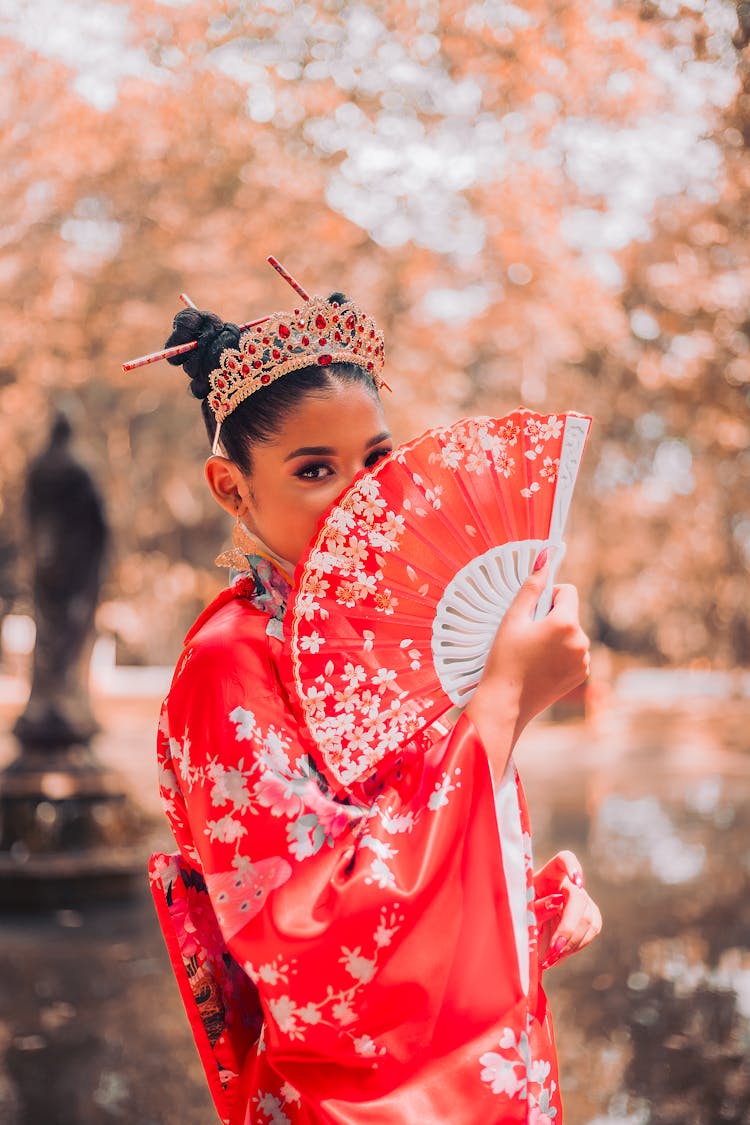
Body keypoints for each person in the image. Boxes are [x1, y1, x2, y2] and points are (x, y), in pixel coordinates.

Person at [140, 276, 601, 1125]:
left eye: (378, 459)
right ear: (230, 487)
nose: (364, 495)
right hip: (363, 1104)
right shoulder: (229, 668)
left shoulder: (388, 628)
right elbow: (310, 951)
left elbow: (425, 833)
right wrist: (500, 705)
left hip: (493, 1065)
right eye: (315, 469)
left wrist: (521, 904)